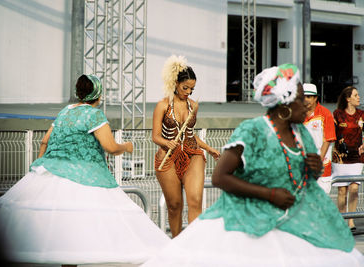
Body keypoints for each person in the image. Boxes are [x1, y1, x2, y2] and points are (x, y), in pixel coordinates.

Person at [142, 64, 364, 266]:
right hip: (250, 224)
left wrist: (312, 169)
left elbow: (301, 179)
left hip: (290, 222)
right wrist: (270, 194)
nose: (307, 105)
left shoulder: (302, 135)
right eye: (300, 99)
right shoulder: (253, 131)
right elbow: (221, 178)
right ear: (283, 104)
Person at [0, 74, 170, 266]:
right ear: (98, 95)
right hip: (85, 176)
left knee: (60, 232)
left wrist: (42, 165)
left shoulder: (65, 111)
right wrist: (127, 147)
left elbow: (44, 141)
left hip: (51, 172)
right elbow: (111, 147)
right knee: (83, 231)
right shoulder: (94, 115)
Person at [152, 55, 220, 237]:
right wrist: (167, 142)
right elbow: (155, 136)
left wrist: (209, 148)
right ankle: (176, 244)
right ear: (175, 83)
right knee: (174, 205)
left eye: (192, 89)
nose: (189, 92)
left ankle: (193, 244)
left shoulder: (193, 106)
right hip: (168, 157)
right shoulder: (162, 105)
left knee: (195, 200)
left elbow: (189, 134)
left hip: (192, 154)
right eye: (185, 88)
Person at [332, 86, 364, 232]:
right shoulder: (337, 114)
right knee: (342, 191)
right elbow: (332, 133)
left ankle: (350, 220)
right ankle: (341, 219)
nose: (359, 97)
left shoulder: (362, 114)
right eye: (356, 95)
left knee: (354, 187)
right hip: (340, 157)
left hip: (357, 156)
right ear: (348, 98)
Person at [303, 83, 336, 193]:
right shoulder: (298, 115)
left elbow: (327, 140)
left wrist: (316, 162)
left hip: (322, 169)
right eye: (303, 97)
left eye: (309, 97)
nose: (305, 100)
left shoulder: (325, 114)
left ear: (315, 98)